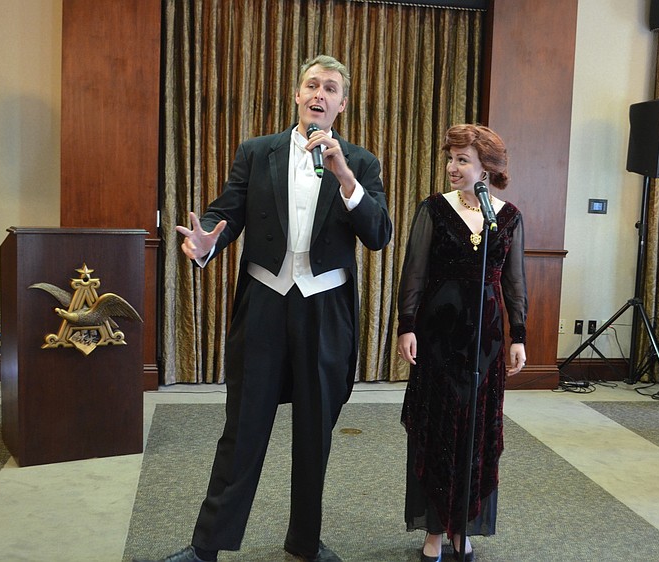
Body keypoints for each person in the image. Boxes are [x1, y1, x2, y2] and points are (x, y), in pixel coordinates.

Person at [137, 55, 392, 562]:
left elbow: (378, 234)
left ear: (342, 104)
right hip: (265, 306)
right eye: (311, 85)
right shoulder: (257, 152)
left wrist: (343, 177)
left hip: (325, 311)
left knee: (315, 433)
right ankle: (206, 545)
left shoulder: (360, 163)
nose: (319, 95)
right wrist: (208, 239)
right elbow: (226, 212)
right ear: (297, 94)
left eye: (331, 89)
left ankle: (303, 542)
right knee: (243, 428)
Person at [396, 124, 527, 562]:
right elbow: (413, 272)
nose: (452, 167)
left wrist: (519, 336)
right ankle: (435, 531)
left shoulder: (507, 217)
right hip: (437, 338)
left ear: (486, 168)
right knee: (436, 433)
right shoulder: (433, 209)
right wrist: (407, 325)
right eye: (450, 158)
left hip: (485, 343)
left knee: (475, 434)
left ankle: (463, 528)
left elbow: (514, 281)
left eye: (462, 160)